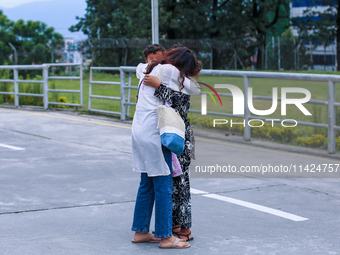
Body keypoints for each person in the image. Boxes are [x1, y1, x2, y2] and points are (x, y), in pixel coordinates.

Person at [131, 47, 200, 249]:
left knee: (147, 184)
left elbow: (139, 68)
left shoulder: (146, 68)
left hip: (138, 130)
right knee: (163, 186)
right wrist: (169, 81)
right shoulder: (170, 71)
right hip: (155, 133)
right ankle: (166, 237)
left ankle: (141, 232)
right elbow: (195, 89)